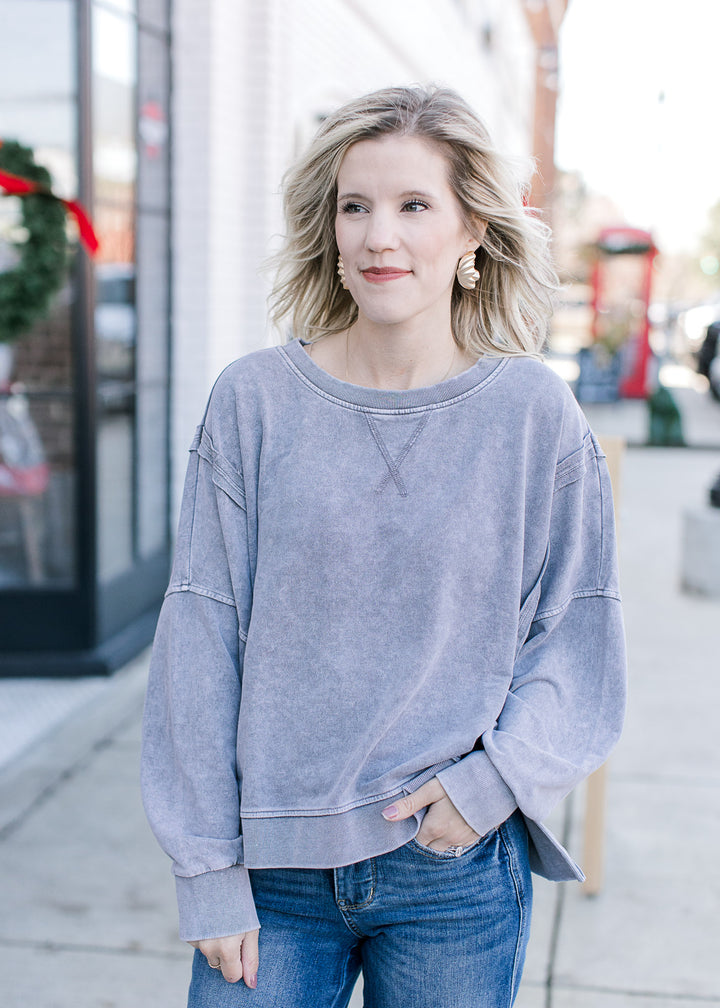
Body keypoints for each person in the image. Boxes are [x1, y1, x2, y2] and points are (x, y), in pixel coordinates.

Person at [141, 85, 626, 1008]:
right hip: (270, 870)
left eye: (413, 206)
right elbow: (200, 640)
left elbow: (577, 641)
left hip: (450, 871)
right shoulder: (255, 403)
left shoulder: (533, 417)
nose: (377, 236)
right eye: (354, 206)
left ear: (472, 231)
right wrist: (205, 869)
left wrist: (488, 789)